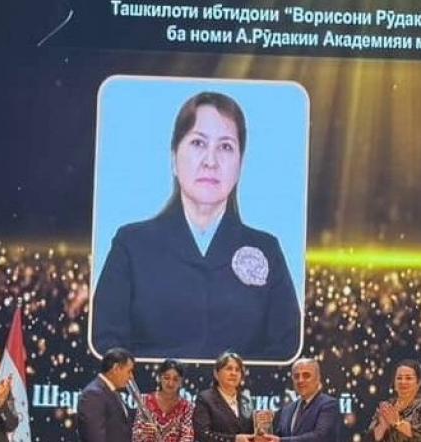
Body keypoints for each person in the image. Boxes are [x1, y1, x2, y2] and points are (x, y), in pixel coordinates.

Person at [92, 91, 301, 361]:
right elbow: (107, 346)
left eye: (225, 147)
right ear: (173, 158)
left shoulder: (267, 250)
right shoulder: (131, 245)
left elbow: (285, 352)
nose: (210, 161)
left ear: (240, 165)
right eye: (198, 143)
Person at [265, 358, 340, 441]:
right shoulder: (287, 410)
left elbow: (319, 437)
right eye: (296, 376)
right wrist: (263, 434)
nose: (300, 380)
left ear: (317, 378)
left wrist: (281, 441)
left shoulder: (329, 405)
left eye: (306, 375)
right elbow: (278, 436)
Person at [367, 360, 421, 442]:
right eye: (399, 378)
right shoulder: (386, 406)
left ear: (418, 383)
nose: (403, 382)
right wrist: (383, 426)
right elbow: (371, 438)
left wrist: (398, 423)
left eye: (408, 378)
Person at [77, 347, 135, 442]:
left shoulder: (112, 392)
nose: (131, 377)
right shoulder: (93, 395)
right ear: (115, 369)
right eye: (129, 371)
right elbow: (94, 437)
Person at [192, 352, 253, 442]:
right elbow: (202, 435)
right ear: (216, 374)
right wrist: (234, 439)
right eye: (229, 369)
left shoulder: (245, 400)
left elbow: (250, 432)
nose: (233, 373)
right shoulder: (205, 399)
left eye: (237, 370)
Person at [132, 359, 194, 442]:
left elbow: (187, 437)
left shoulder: (186, 407)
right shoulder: (145, 401)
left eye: (175, 379)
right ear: (160, 378)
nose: (170, 383)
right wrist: (143, 433)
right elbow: (135, 436)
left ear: (181, 382)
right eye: (166, 378)